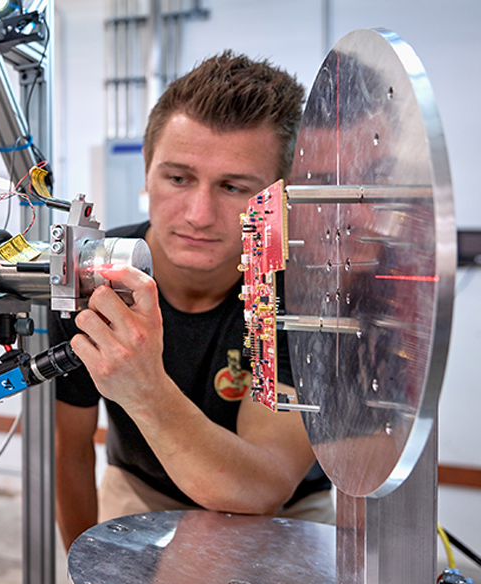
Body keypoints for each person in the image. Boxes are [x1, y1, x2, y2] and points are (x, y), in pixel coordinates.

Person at [49, 50, 334, 553]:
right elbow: (68, 451)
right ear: (147, 174)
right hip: (141, 493)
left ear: (278, 196)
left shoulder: (298, 292)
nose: (199, 214)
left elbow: (260, 486)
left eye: (232, 187)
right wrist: (82, 570)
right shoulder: (89, 279)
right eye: (178, 178)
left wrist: (144, 387)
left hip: (286, 515)